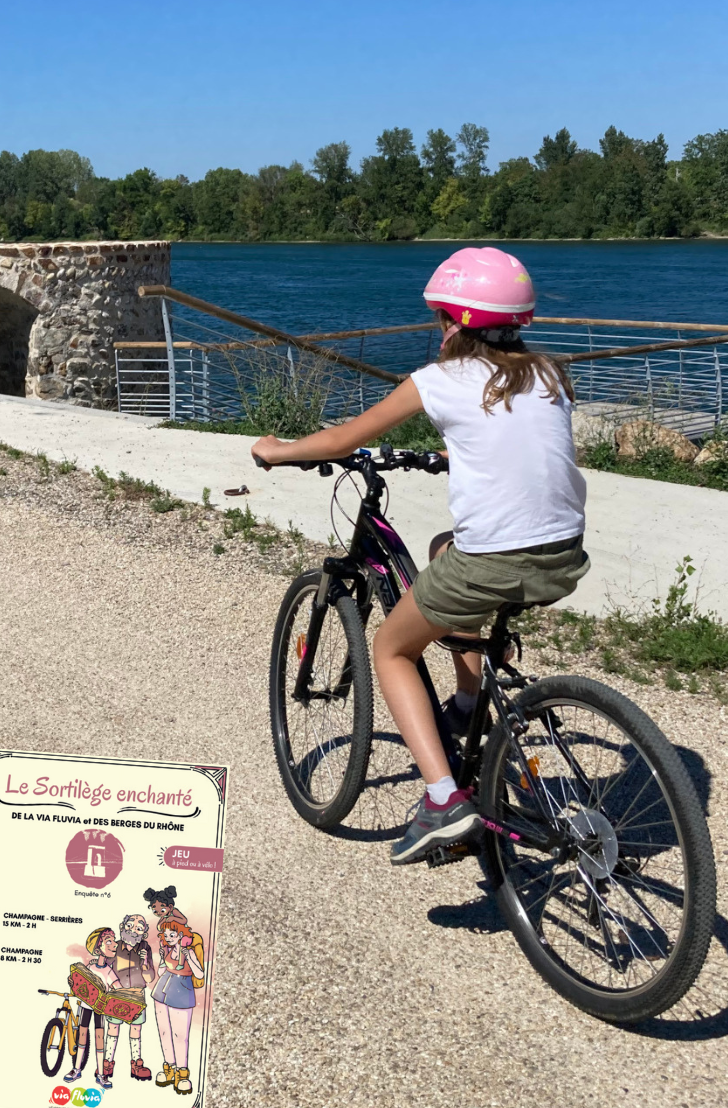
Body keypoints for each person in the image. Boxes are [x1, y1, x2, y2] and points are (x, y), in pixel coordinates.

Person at [252, 246, 588, 866]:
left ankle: (442, 801)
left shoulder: (439, 381)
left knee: (390, 647)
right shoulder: (549, 374)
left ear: (455, 323)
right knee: (440, 548)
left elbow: (344, 438)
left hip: (495, 561)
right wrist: (455, 455)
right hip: (564, 554)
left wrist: (277, 451)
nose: (439, 329)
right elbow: (517, 447)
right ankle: (467, 702)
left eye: (440, 319)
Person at [151, 918, 204, 1095]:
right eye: (166, 935)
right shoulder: (167, 949)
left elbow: (199, 973)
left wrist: (190, 957)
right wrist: (160, 958)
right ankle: (169, 1068)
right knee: (164, 1032)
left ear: (181, 934)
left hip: (182, 990)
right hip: (162, 988)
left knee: (180, 1035)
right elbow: (160, 972)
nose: (169, 938)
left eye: (172, 934)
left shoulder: (189, 951)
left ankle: (182, 1073)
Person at [64, 926, 119, 1088]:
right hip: (85, 1007)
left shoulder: (109, 970)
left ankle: (101, 1075)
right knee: (82, 1039)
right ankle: (76, 1069)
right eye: (108, 941)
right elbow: (82, 985)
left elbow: (117, 987)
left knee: (99, 1041)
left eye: (113, 941)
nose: (114, 945)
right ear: (98, 948)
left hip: (100, 1009)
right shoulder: (89, 967)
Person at [105, 913, 156, 1082]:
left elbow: (149, 979)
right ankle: (107, 1062)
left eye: (139, 927)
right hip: (116, 994)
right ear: (122, 926)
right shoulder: (115, 947)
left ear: (144, 932)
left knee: (136, 1029)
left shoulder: (145, 949)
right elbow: (105, 969)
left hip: (137, 995)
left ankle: (136, 1064)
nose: (133, 930)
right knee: (113, 1027)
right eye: (130, 926)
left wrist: (145, 964)